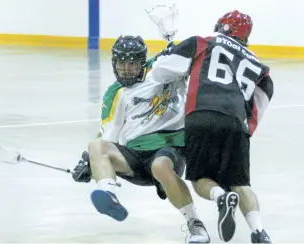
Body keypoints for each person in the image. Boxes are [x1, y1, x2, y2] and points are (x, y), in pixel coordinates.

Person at [150, 10, 273, 243]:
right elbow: (257, 108)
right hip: (236, 124)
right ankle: (260, 232)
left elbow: (161, 72)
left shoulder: (202, 41)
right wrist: (243, 133)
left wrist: (166, 55)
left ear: (222, 27)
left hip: (201, 115)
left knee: (200, 179)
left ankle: (219, 197)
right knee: (241, 183)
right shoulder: (260, 67)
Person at [72, 35, 210, 243]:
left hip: (169, 148)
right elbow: (108, 133)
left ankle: (196, 226)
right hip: (135, 158)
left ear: (142, 61)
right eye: (121, 63)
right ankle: (108, 194)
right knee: (96, 146)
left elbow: (193, 57)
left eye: (132, 63)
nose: (126, 68)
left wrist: (178, 52)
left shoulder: (162, 69)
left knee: (160, 166)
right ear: (113, 63)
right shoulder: (115, 93)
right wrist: (88, 161)